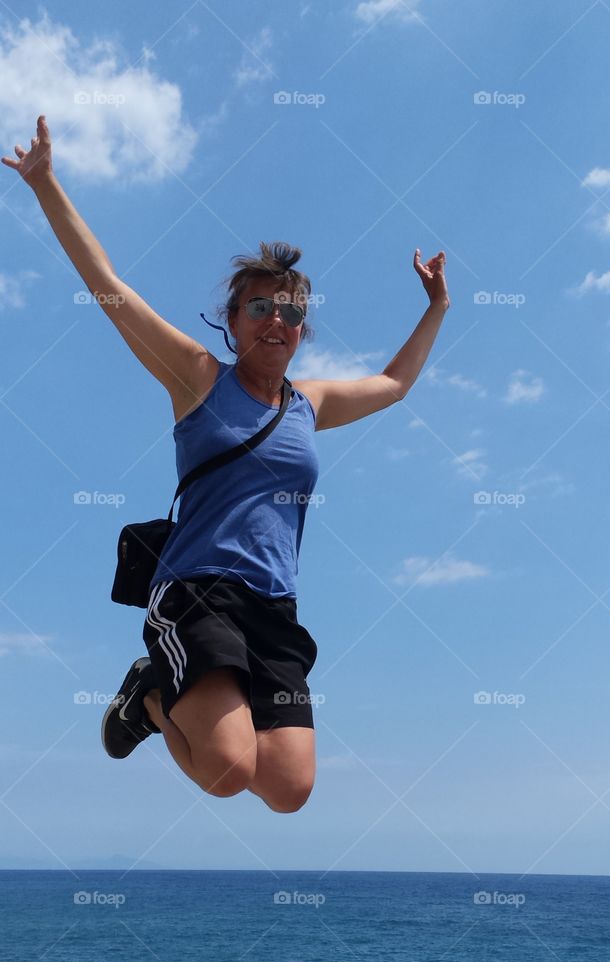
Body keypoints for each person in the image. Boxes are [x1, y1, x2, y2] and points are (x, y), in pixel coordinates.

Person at [2, 115, 450, 811]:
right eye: (262, 307)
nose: (279, 319)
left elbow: (393, 386)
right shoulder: (198, 380)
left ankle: (166, 698)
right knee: (227, 772)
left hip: (275, 604)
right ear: (235, 320)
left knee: (288, 789)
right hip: (198, 590)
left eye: (293, 311)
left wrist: (437, 308)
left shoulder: (310, 403)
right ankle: (149, 697)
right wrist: (46, 185)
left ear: (304, 328)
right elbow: (109, 287)